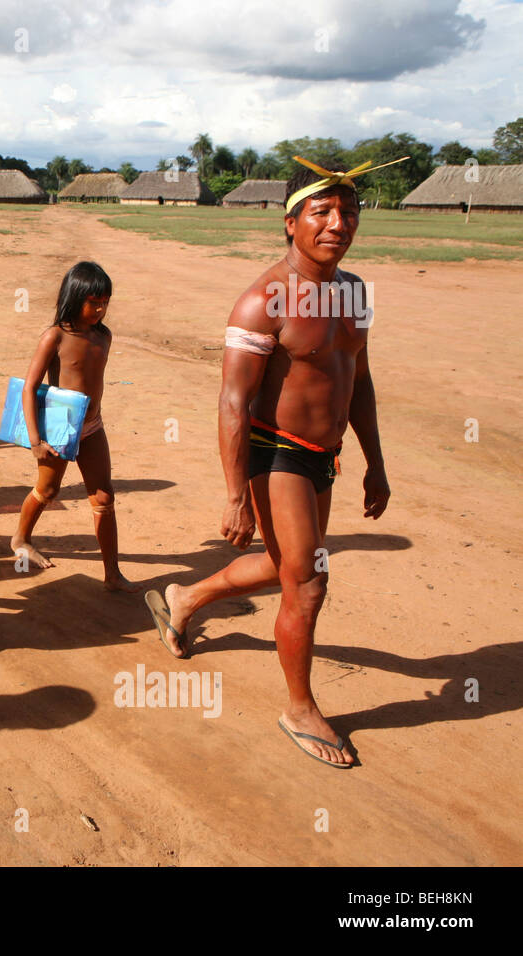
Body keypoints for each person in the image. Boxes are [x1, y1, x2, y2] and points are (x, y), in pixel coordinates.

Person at [144, 156, 399, 769]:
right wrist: (235, 495)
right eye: (322, 211)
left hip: (325, 455)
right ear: (291, 223)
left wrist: (375, 460)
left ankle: (183, 600)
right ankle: (299, 707)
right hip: (275, 450)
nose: (338, 222)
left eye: (348, 211)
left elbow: (357, 379)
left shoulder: (355, 293)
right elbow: (233, 404)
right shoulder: (263, 302)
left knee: (284, 566)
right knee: (308, 582)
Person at [10, 262, 140, 592]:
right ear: (75, 296)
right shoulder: (55, 336)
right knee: (48, 491)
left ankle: (112, 573)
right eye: (93, 301)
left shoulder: (104, 336)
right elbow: (29, 387)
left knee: (103, 496)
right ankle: (21, 538)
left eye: (105, 302)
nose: (99, 309)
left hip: (92, 426)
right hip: (58, 428)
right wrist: (36, 440)